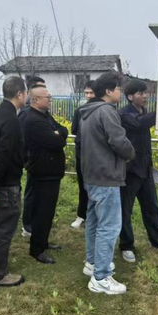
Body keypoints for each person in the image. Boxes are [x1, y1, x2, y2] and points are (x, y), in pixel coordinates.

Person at [79, 71, 135, 295]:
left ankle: (92, 263)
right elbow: (119, 140)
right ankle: (101, 277)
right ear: (109, 91)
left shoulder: (87, 112)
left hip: (92, 175)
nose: (120, 92)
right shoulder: (107, 111)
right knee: (109, 226)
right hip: (106, 176)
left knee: (94, 222)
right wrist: (131, 154)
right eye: (119, 89)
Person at [119, 79, 158, 262]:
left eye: (146, 93)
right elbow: (140, 124)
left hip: (145, 169)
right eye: (141, 93)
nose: (145, 96)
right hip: (130, 171)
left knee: (152, 208)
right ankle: (126, 246)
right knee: (125, 210)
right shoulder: (124, 114)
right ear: (130, 97)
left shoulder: (143, 112)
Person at [0, 76, 27, 287]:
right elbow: (4, 153)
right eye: (25, 93)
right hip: (5, 183)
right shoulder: (10, 119)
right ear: (19, 94)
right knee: (4, 228)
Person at [24, 85, 68, 264]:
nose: (50, 99)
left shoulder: (45, 116)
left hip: (51, 173)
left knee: (48, 211)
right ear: (35, 100)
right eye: (47, 97)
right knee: (42, 212)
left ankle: (43, 241)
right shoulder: (33, 119)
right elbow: (56, 142)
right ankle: (36, 249)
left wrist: (58, 133)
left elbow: (63, 130)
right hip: (43, 173)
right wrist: (57, 135)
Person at [19, 76, 46, 238]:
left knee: (39, 195)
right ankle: (27, 225)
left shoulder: (42, 112)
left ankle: (36, 223)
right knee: (31, 193)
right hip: (33, 160)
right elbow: (22, 139)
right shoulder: (26, 113)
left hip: (43, 161)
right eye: (40, 87)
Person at [70, 81, 95, 229]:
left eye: (91, 93)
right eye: (86, 93)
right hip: (82, 154)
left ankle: (95, 216)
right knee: (83, 186)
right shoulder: (79, 111)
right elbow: (74, 130)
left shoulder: (104, 110)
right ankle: (81, 215)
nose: (88, 96)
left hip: (97, 156)